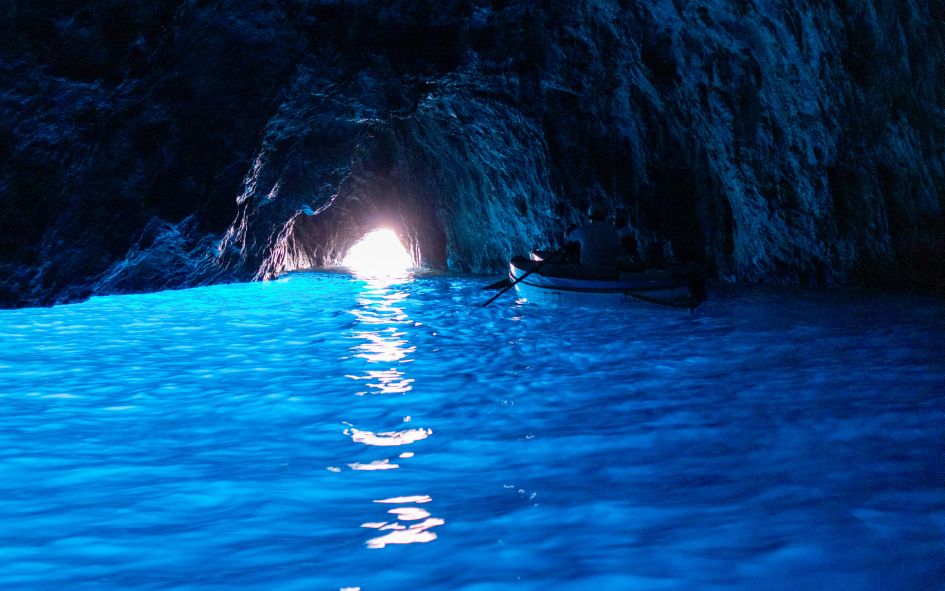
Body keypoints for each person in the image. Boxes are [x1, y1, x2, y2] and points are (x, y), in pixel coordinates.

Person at [565, 203, 620, 276]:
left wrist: (570, 228)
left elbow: (567, 237)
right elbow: (618, 251)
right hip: (610, 271)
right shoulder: (613, 230)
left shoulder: (583, 230)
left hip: (588, 271)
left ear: (589, 217)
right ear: (604, 216)